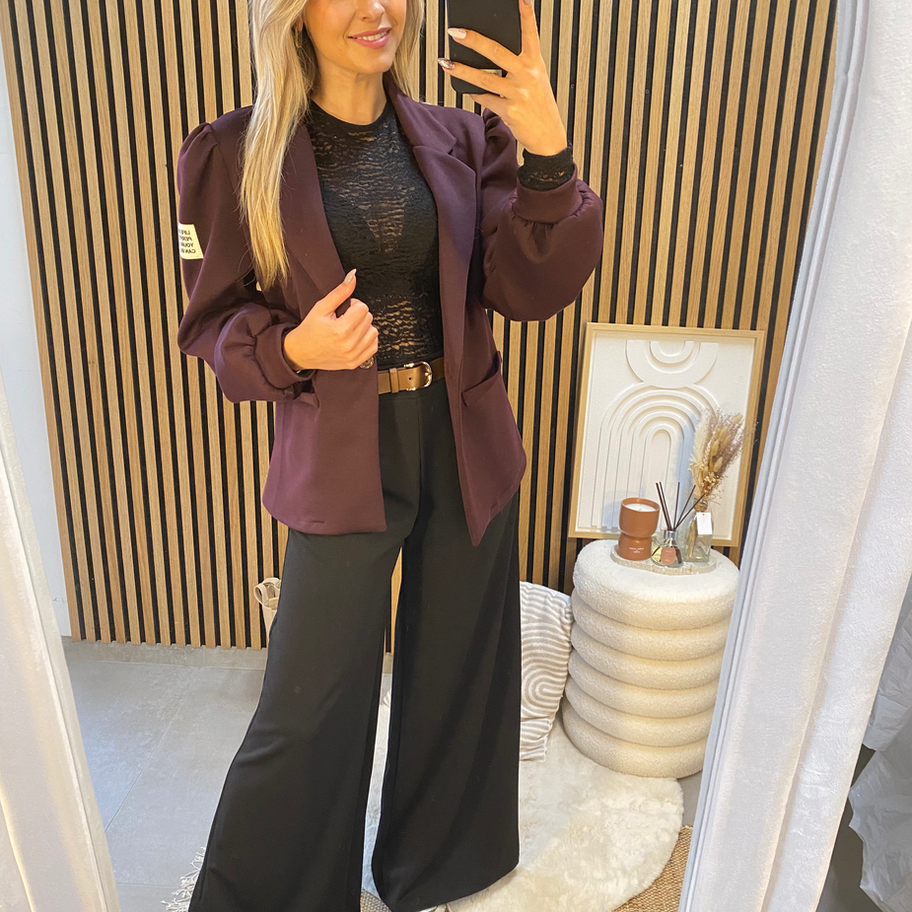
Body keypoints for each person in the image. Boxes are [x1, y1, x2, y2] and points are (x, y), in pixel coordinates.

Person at [173, 0, 603, 908]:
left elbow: (526, 291)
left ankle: (439, 866)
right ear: (293, 13)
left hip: (463, 436)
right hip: (340, 449)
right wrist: (292, 349)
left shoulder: (466, 138)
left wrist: (548, 157)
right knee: (308, 703)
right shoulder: (232, 153)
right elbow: (210, 323)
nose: (378, 9)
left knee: (459, 670)